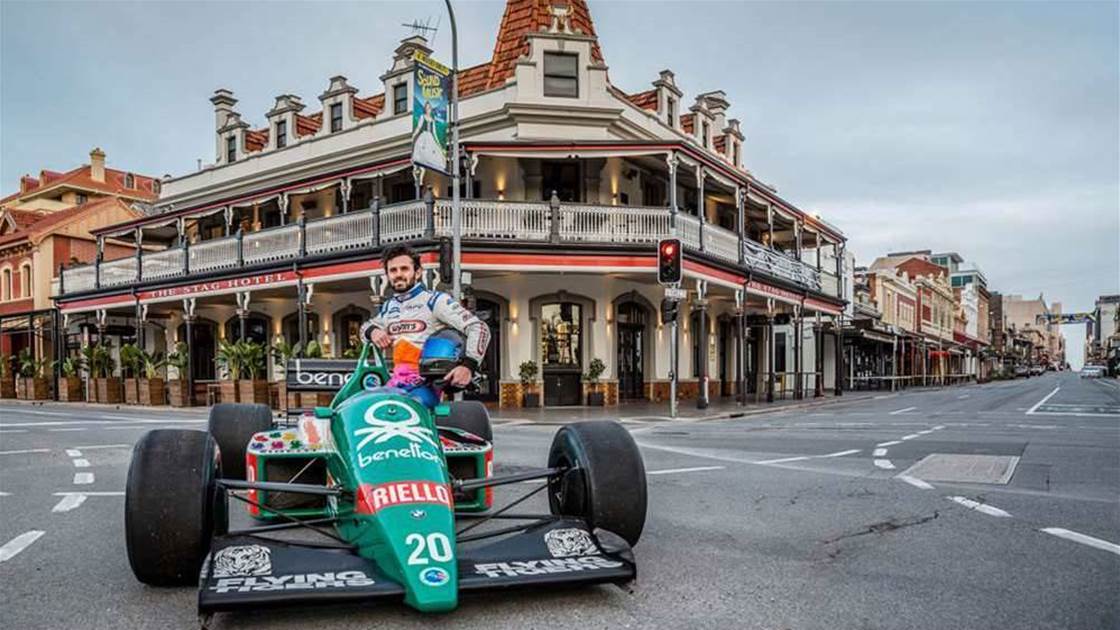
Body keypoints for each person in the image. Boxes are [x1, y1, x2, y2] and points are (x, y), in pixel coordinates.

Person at [361, 244, 489, 392]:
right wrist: (373, 331)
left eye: (404, 269)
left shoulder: (435, 300)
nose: (398, 274)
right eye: (393, 270)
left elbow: (479, 327)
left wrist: (468, 366)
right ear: (388, 275)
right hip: (396, 383)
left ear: (417, 272)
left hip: (426, 385)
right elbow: (364, 329)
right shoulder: (389, 307)